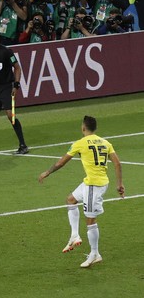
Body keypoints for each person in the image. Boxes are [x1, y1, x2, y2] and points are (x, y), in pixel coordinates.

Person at [38, 115, 124, 268]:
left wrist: (47, 172)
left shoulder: (80, 143)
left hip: (93, 186)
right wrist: (119, 184)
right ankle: (75, 235)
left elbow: (61, 162)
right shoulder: (105, 142)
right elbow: (117, 163)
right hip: (95, 182)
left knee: (90, 221)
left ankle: (95, 254)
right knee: (70, 200)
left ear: (83, 127)